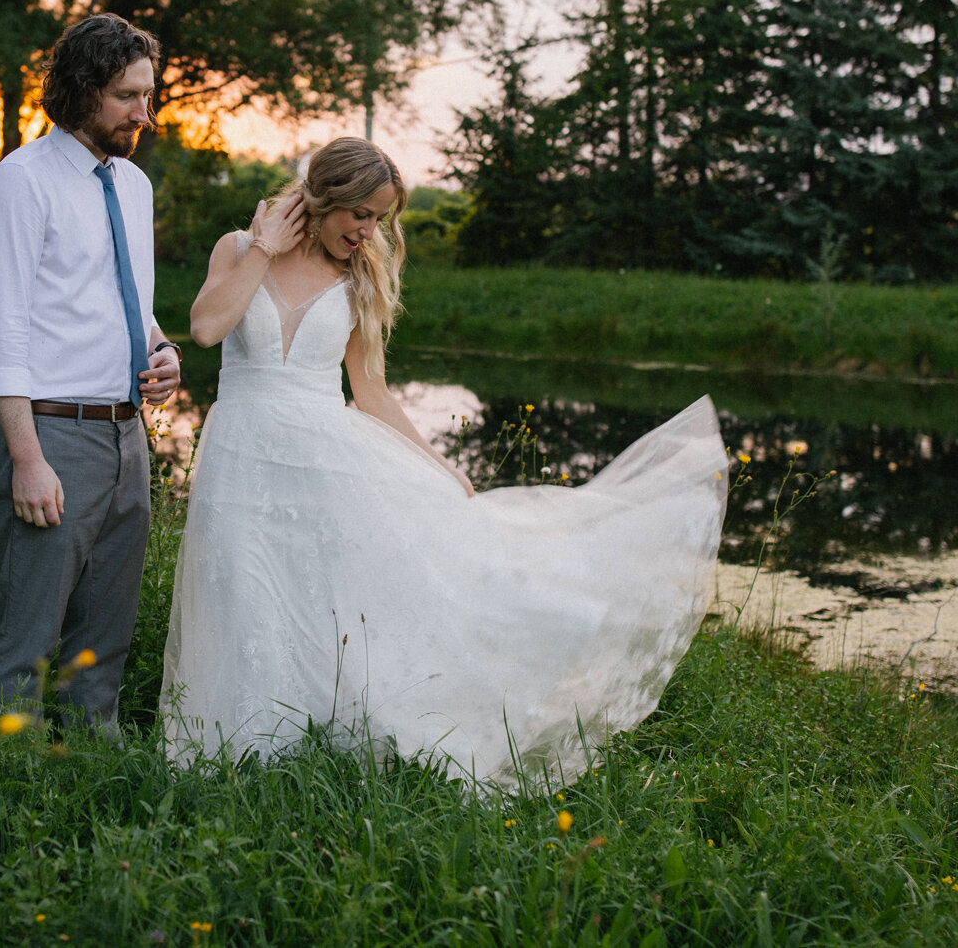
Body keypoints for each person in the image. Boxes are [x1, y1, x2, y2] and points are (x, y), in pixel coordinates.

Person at [161, 137, 728, 786]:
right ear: (325, 198)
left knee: (313, 602)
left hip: (321, 460)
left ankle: (302, 753)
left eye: (381, 218)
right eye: (361, 214)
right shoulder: (239, 246)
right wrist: (263, 247)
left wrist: (437, 464)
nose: (370, 230)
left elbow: (370, 392)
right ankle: (232, 755)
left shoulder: (358, 278)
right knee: (238, 593)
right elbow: (206, 329)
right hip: (239, 453)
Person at [0, 13, 182, 729]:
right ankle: (3, 791)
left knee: (105, 641)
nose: (144, 114)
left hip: (128, 440)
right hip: (52, 436)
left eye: (148, 95)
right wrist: (26, 459)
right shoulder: (20, 182)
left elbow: (131, 303)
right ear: (85, 89)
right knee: (25, 642)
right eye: (129, 96)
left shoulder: (133, 186)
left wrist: (165, 352)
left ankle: (91, 778)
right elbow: (2, 333)